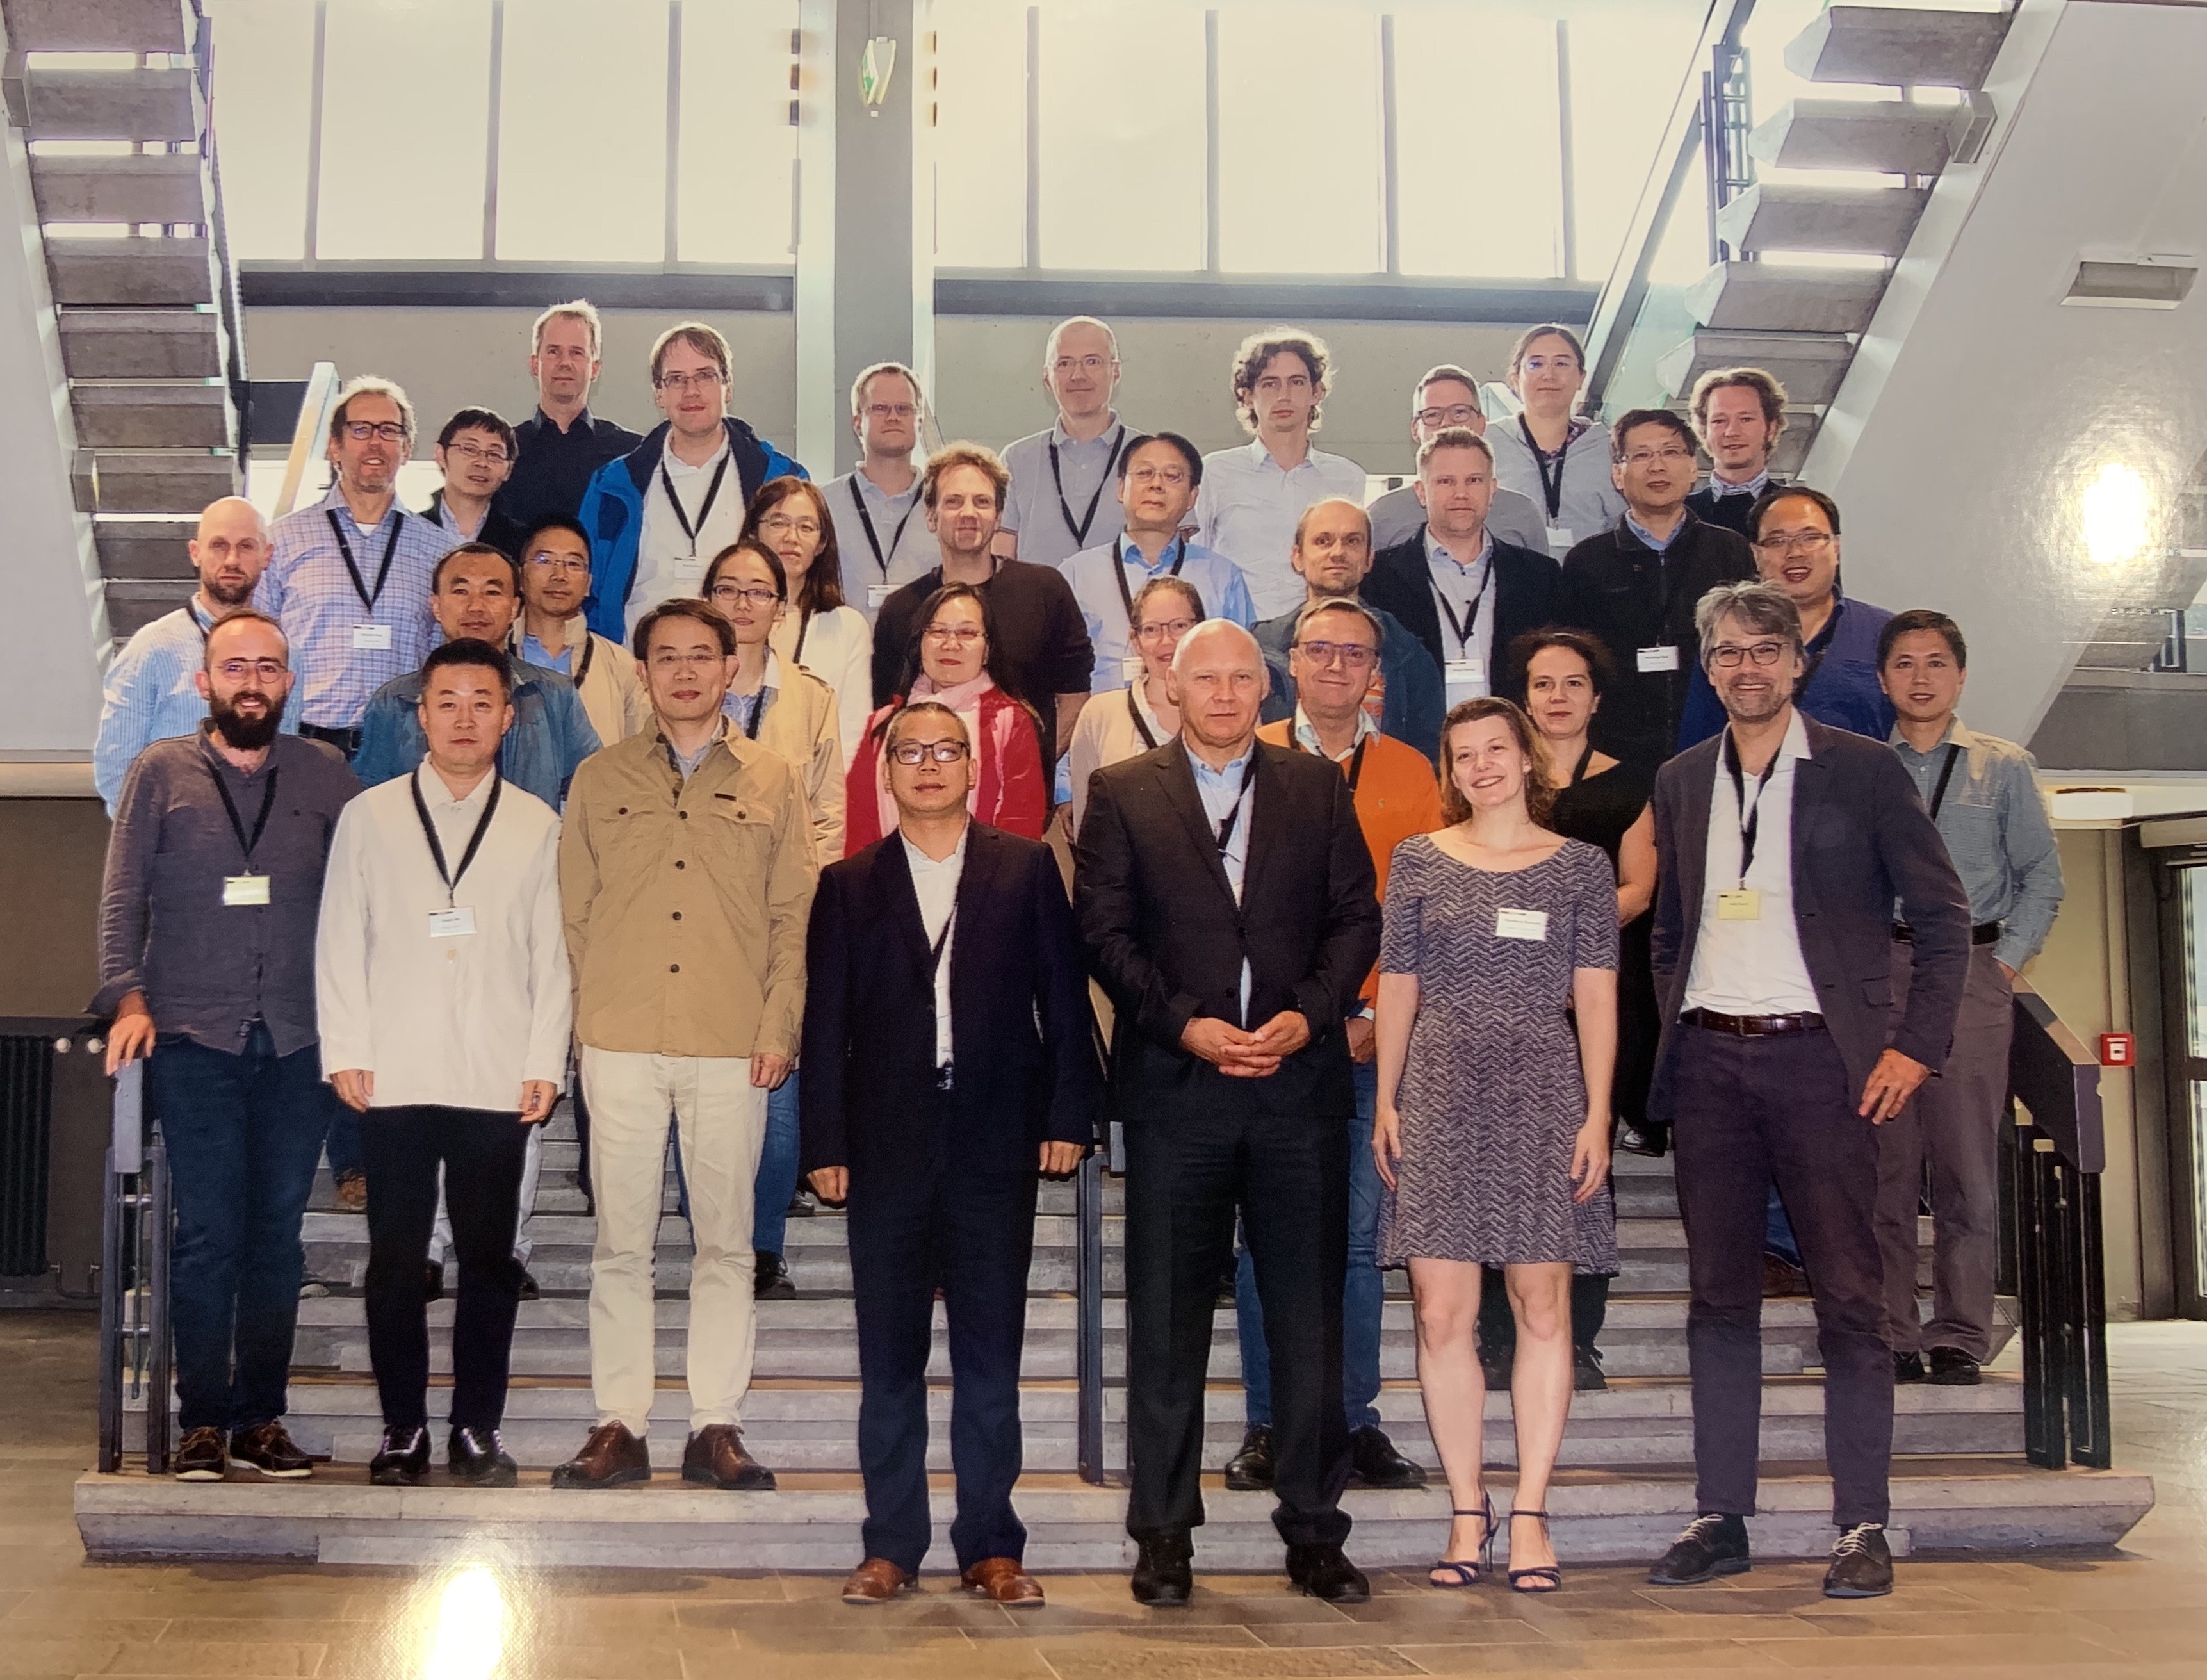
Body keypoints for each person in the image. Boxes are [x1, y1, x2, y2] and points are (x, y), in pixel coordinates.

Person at [1643, 581, 1969, 1602]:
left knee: (1850, 1299)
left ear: (1797, 662)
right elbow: (1668, 928)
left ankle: (1860, 1520)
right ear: (1709, 668)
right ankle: (1721, 1514)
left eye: (1765, 650)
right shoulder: (1681, 779)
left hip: (1824, 1067)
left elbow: (1943, 918)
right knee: (1716, 1300)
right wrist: (1680, 1017)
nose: (1746, 667)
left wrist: (1911, 1048)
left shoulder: (1862, 770)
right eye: (1728, 651)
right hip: (1710, 1067)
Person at [1075, 620, 1382, 1608]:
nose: (1219, 692)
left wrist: (1312, 1013)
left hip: (1297, 1089)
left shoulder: (1315, 786)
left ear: (1264, 686)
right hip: (1179, 1092)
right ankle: (1163, 1533)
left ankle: (1315, 1530)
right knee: (1166, 1324)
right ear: (1169, 685)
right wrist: (1183, 1025)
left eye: (1238, 677)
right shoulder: (1122, 790)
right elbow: (1103, 930)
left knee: (1307, 1321)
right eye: (1200, 676)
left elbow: (1356, 915)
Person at [802, 701, 1100, 1608]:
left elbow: (1062, 996)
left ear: (973, 767)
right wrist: (825, 1139)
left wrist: (1068, 1114)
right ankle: (890, 1544)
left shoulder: (1023, 867)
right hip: (885, 1143)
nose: (928, 764)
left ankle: (992, 1545)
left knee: (988, 1355)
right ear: (886, 770)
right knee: (889, 1358)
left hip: (993, 1139)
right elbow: (824, 1024)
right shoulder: (848, 883)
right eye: (910, 752)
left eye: (946, 750)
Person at [552, 598, 818, 1492]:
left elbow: (792, 916)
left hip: (730, 1039)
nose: (685, 671)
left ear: (730, 668)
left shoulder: (773, 779)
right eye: (666, 656)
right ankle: (619, 1423)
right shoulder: (599, 777)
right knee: (620, 1243)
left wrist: (778, 1026)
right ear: (642, 672)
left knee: (726, 1244)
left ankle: (715, 1425)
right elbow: (573, 912)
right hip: (621, 1035)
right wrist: (584, 1025)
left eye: (702, 654)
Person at [94, 610, 359, 1481]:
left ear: (290, 682)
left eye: (268, 667)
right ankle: (202, 1420)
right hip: (192, 1036)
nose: (253, 681)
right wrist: (126, 995)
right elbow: (122, 894)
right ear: (204, 681)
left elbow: (363, 900)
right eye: (235, 666)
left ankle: (260, 1418)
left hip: (298, 1038)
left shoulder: (327, 775)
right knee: (208, 1234)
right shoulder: (159, 770)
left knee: (276, 1237)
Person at [1374, 696, 1618, 1594]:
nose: (1480, 766)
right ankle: (1465, 1509)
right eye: (1462, 754)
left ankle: (1531, 1511)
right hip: (1438, 1083)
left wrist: (1597, 1112)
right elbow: (1397, 982)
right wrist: (1386, 1098)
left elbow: (1595, 993)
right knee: (1440, 1311)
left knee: (1540, 1304)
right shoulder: (1417, 858)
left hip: (1543, 1086)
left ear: (1526, 758)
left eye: (1494, 749)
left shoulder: (1581, 866)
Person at [315, 639, 569, 1488]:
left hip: (497, 1072)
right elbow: (339, 938)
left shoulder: (536, 824)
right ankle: (401, 1428)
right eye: (448, 702)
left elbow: (552, 955)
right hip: (393, 1069)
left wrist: (544, 1058)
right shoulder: (370, 815)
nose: (465, 718)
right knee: (395, 1260)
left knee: (489, 1259)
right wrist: (346, 1047)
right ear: (419, 715)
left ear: (508, 716)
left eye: (481, 702)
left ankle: (475, 1426)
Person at [1227, 598, 1441, 1497]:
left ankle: (1351, 1420)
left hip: (1369, 1038)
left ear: (1375, 673)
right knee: (1262, 1240)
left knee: (1356, 1244)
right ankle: (1269, 1421)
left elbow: (1421, 909)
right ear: (1290, 661)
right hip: (1271, 1036)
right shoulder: (1249, 757)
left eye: (1355, 654)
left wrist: (1375, 1015)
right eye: (1319, 649)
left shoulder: (1411, 772)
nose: (1336, 666)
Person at [1875, 610, 2064, 1385]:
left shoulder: (2003, 766)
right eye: (1903, 663)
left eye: (1934, 662)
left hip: (1971, 972)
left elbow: (2041, 878)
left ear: (1958, 675)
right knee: (1883, 1166)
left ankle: (1958, 1331)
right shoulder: (1861, 766)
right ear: (1882, 678)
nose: (1919, 678)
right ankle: (1890, 1329)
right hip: (1882, 973)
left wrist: (2003, 967)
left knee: (1965, 1169)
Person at [1474, 633, 1656, 1393]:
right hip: (1497, 998)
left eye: (1572, 683)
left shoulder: (1630, 784)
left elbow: (1638, 887)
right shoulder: (1494, 777)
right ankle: (1495, 1333)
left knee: (1582, 1170)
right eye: (1542, 684)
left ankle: (1578, 1336)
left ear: (1596, 697)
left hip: (1593, 995)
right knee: (1493, 1164)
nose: (1557, 697)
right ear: (1522, 696)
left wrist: (1558, 932)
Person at [703, 538, 847, 1300]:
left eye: (758, 591)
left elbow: (828, 811)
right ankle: (712, 1238)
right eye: (728, 588)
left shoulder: (810, 697)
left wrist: (801, 897)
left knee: (778, 1088)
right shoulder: (679, 683)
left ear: (781, 607)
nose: (743, 603)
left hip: (782, 914)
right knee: (702, 1093)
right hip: (694, 915)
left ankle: (762, 1246)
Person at [256, 375, 460, 761]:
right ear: (335, 446)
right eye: (361, 430)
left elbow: (443, 653)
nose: (375, 443)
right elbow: (262, 648)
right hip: (307, 747)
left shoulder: (440, 551)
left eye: (389, 431)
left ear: (406, 448)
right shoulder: (282, 540)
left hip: (403, 748)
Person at [578, 320, 807, 642]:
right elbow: (585, 587)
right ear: (658, 393)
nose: (691, 391)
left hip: (742, 663)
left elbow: (801, 583)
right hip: (637, 664)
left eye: (705, 375)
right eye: (676, 379)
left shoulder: (780, 480)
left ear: (728, 386)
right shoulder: (611, 486)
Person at [1554, 409, 1755, 772]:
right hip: (1615, 750)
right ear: (1618, 474)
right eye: (1642, 455)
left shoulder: (1730, 550)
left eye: (1671, 452)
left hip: (1717, 741)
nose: (1657, 466)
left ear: (1693, 468)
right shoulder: (1587, 562)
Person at [870, 444, 1093, 772]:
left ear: (999, 517)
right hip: (927, 792)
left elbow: (1074, 699)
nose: (969, 513)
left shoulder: (1046, 591)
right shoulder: (901, 609)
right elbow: (889, 716)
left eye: (982, 502)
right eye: (954, 502)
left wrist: (1025, 769)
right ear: (930, 516)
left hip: (1023, 794)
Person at [354, 542, 601, 809]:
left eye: (492, 592)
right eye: (461, 591)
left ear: (515, 608)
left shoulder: (553, 695)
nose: (476, 607)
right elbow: (372, 801)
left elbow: (594, 787)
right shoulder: (395, 700)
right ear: (436, 606)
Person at [95, 496, 286, 813]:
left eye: (246, 547)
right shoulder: (151, 650)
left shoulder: (286, 653)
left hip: (261, 834)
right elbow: (116, 772)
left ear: (266, 556)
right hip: (172, 837)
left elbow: (285, 758)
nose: (232, 560)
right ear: (195, 553)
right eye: (219, 546)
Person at [1361, 427, 1561, 711]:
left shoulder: (1540, 577)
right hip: (1418, 734)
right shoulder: (1378, 579)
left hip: (1512, 732)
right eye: (1446, 481)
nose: (1461, 494)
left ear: (1492, 490)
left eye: (1474, 481)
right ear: (1421, 492)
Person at [1679, 486, 1893, 750]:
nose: (1795, 553)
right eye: (1777, 541)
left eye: (1810, 538)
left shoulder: (1884, 634)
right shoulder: (1726, 637)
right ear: (1756, 554)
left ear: (1836, 547)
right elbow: (1698, 744)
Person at [851, 583, 1046, 851]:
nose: (950, 644)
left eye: (967, 633)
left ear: (987, 650)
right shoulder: (882, 724)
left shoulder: (1010, 722)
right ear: (920, 643)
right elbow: (858, 824)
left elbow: (1022, 830)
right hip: (889, 876)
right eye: (938, 631)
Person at [1251, 499, 1443, 767]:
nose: (1338, 552)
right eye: (1323, 541)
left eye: (1352, 541)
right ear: (1297, 557)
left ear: (1369, 559)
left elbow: (1429, 754)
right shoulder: (1261, 649)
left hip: (1379, 790)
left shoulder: (1407, 654)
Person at [1194, 329, 1370, 621]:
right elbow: (1198, 564)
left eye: (1296, 382)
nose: (1284, 395)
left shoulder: (1347, 477)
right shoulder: (1214, 472)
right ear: (1247, 396)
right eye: (1270, 384)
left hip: (1319, 631)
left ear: (1316, 393)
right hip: (1237, 633)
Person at [1059, 431, 1255, 692]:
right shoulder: (1075, 575)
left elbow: (1244, 663)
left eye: (1172, 476)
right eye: (1144, 473)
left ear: (1192, 497)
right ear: (1121, 488)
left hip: (1197, 713)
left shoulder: (1222, 576)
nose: (1156, 485)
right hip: (1104, 713)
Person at [740, 475, 874, 768]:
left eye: (806, 527)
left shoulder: (847, 627)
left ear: (822, 543)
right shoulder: (725, 616)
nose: (792, 538)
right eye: (778, 523)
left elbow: (851, 732)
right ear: (753, 532)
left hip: (814, 782)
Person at [1065, 576, 1201, 833]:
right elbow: (1089, 827)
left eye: (1179, 626)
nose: (1166, 640)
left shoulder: (1225, 710)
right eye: (1151, 629)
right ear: (1135, 640)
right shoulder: (1100, 715)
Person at [495, 300, 644, 532]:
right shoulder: (503, 452)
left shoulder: (632, 453)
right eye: (553, 351)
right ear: (535, 364)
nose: (565, 363)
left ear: (595, 368)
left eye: (577, 352)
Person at [1367, 365, 1547, 553]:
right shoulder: (1382, 516)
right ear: (1415, 429)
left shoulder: (1522, 513)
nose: (1447, 423)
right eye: (1433, 415)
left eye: (1460, 412)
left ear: (1482, 424)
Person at [997, 316, 1130, 569]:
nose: (1078, 375)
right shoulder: (1016, 460)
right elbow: (1001, 563)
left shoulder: (1149, 456)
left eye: (1092, 361)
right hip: (1036, 597)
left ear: (1116, 371)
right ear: (1047, 377)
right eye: (1064, 363)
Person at [1484, 325, 1625, 561]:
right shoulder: (1486, 445)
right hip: (1507, 577)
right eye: (1536, 364)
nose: (1549, 375)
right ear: (1515, 379)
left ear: (1581, 378)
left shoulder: (1610, 449)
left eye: (1561, 363)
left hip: (1592, 578)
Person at [514, 516, 653, 749]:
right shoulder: (495, 654)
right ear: (520, 577)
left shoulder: (621, 665)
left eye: (573, 564)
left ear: (588, 584)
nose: (559, 575)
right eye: (545, 560)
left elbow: (642, 751)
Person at [826, 363, 939, 619]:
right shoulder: (822, 504)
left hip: (926, 643)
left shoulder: (945, 503)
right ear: (857, 423)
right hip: (844, 644)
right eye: (880, 408)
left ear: (919, 422)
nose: (893, 417)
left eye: (904, 409)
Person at [1684, 368, 1788, 537]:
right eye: (1719, 421)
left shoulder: (1798, 509)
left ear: (1771, 428)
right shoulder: (1679, 514)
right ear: (1703, 431)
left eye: (1746, 419)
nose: (1732, 432)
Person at [422, 408, 529, 559]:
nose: (482, 463)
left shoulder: (524, 542)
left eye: (495, 454)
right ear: (441, 455)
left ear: (508, 470)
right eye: (470, 449)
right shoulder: (409, 530)